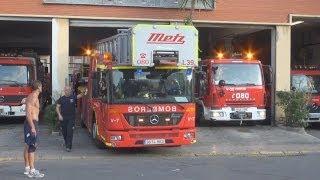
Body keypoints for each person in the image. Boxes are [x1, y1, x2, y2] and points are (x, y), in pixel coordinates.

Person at [23, 80, 45, 178]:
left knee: (28, 146)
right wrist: (32, 127)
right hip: (31, 123)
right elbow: (28, 114)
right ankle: (32, 170)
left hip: (31, 123)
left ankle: (27, 168)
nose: (42, 88)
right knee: (32, 146)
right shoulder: (33, 97)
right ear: (39, 87)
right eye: (41, 86)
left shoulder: (32, 96)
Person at [56, 86, 86, 152]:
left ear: (70, 90)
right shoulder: (61, 99)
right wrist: (59, 115)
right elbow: (57, 107)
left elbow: (80, 95)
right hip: (63, 118)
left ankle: (68, 146)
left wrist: (84, 91)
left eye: (69, 90)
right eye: (66, 90)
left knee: (70, 132)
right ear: (64, 90)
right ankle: (67, 142)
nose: (68, 91)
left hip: (71, 118)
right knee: (64, 132)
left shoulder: (73, 97)